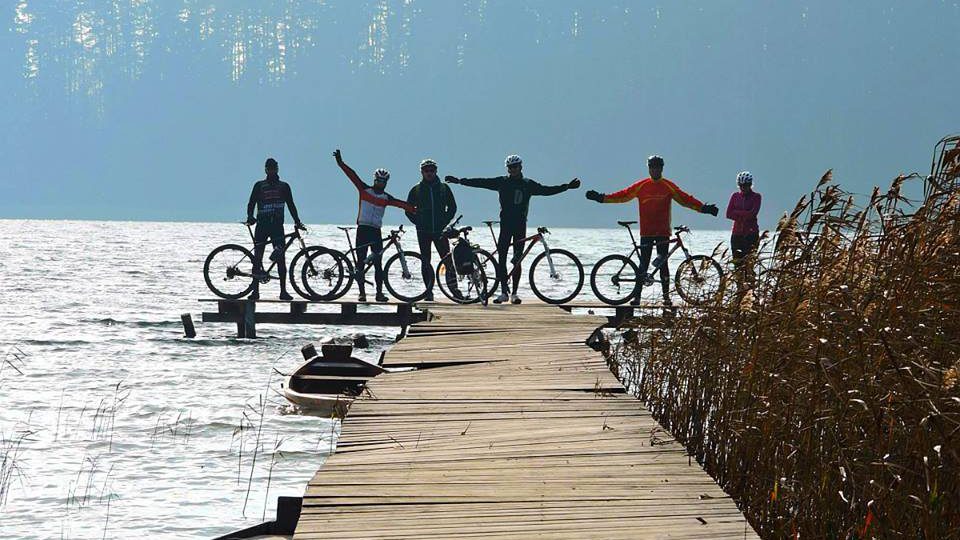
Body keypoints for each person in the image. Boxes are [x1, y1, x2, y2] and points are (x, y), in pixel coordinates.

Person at [446, 154, 580, 304]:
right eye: (510, 167)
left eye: (515, 167)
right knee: (502, 258)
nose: (512, 170)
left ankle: (514, 294)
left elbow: (547, 190)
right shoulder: (502, 182)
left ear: (521, 167)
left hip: (520, 225)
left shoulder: (528, 184)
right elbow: (481, 182)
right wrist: (460, 181)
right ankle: (504, 292)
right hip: (506, 225)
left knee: (517, 260)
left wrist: (567, 187)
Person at [585, 155, 718, 306]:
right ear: (649, 169)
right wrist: (601, 198)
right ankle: (637, 297)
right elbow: (622, 195)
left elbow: (685, 199)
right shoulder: (642, 185)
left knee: (663, 265)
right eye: (652, 167)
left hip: (663, 232)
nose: (655, 170)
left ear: (662, 169)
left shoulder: (668, 186)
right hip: (646, 232)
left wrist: (704, 208)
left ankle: (666, 298)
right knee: (644, 264)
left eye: (657, 167)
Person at [334, 149, 416, 302]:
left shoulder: (386, 198)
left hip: (376, 231)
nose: (380, 183)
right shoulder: (364, 190)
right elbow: (352, 175)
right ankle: (362, 294)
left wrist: (417, 209)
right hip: (363, 230)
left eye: (383, 181)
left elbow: (403, 205)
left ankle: (379, 293)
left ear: (386, 182)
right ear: (374, 179)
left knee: (378, 264)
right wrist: (340, 162)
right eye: (378, 180)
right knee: (360, 262)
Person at [245, 157, 305, 301]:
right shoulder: (259, 185)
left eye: (274, 168)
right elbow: (251, 203)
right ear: (266, 170)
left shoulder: (284, 186)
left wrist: (297, 221)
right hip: (262, 225)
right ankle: (255, 291)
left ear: (277, 169)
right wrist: (250, 216)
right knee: (257, 258)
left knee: (281, 259)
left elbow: (291, 205)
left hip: (277, 226)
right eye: (269, 168)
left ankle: (283, 291)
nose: (272, 171)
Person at [406, 158, 459, 301]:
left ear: (436, 171)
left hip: (440, 231)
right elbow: (408, 209)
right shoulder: (416, 189)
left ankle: (455, 291)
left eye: (432, 170)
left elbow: (452, 207)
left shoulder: (444, 188)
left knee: (448, 261)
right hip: (423, 232)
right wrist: (418, 222)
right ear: (422, 172)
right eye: (426, 171)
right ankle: (428, 292)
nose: (429, 173)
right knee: (425, 262)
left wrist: (445, 222)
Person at [726, 171, 762, 288]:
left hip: (751, 234)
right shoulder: (735, 196)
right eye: (741, 185)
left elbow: (753, 213)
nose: (743, 188)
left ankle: (751, 290)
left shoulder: (756, 197)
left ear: (750, 185)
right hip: (736, 234)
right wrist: (744, 214)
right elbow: (728, 214)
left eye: (746, 185)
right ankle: (739, 290)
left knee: (749, 265)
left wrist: (737, 212)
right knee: (737, 265)